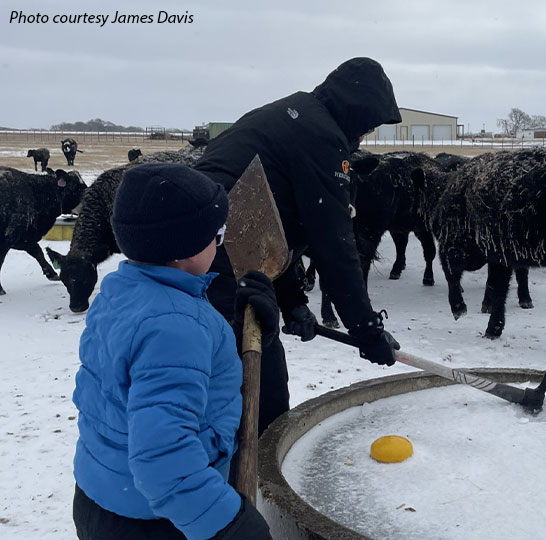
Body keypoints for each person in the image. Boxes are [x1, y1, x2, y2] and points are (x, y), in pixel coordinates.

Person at [194, 57, 403, 435]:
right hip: (216, 251)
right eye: (370, 122)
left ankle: (246, 454)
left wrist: (292, 302)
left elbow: (273, 223)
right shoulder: (321, 136)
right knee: (255, 373)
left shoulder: (297, 115)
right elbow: (333, 243)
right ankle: (256, 470)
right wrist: (367, 330)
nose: (367, 133)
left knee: (237, 362)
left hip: (205, 243)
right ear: (355, 108)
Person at [72, 164, 276, 540]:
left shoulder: (120, 293)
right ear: (187, 249)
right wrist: (228, 524)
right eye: (219, 234)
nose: (222, 242)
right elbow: (164, 458)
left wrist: (231, 328)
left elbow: (151, 373)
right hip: (160, 519)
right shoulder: (178, 327)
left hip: (102, 494)